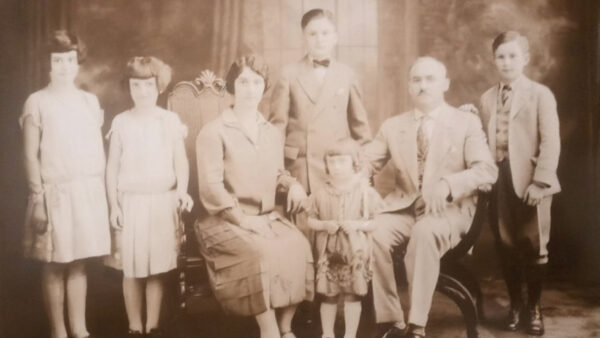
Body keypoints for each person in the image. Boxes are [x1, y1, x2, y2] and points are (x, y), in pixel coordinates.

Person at [363, 56, 498, 338]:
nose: (423, 85)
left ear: (445, 84)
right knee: (372, 231)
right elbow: (366, 163)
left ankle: (416, 325)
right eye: (416, 80)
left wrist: (449, 184)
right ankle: (391, 320)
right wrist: (362, 186)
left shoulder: (465, 123)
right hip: (403, 208)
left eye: (430, 79)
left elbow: (487, 171)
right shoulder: (393, 126)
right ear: (409, 87)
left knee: (424, 233)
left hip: (447, 212)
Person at [195, 54, 314, 338]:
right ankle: (269, 330)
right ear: (232, 86)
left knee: (299, 246)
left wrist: (292, 185)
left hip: (266, 216)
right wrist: (243, 221)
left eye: (257, 82)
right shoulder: (214, 131)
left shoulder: (270, 132)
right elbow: (211, 188)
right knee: (260, 253)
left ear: (264, 87)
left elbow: (275, 173)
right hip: (223, 219)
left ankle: (286, 329)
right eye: (243, 81)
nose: (250, 88)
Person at [20, 30, 110, 338]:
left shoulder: (89, 101)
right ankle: (59, 332)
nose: (64, 66)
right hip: (54, 194)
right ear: (48, 64)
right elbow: (31, 156)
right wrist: (39, 198)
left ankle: (80, 329)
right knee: (55, 264)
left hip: (86, 191)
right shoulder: (37, 102)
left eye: (69, 60)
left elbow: (95, 151)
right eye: (57, 60)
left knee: (79, 263)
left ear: (77, 63)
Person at [478, 31, 560, 336]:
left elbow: (551, 142)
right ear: (493, 60)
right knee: (506, 246)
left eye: (513, 56)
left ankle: (534, 308)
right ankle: (515, 305)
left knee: (534, 246)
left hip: (530, 182)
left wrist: (540, 183)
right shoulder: (487, 98)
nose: (507, 62)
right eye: (501, 56)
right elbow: (483, 139)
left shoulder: (540, 94)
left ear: (525, 59)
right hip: (499, 181)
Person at [104, 56, 192, 337]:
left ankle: (152, 326)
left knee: (155, 268)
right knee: (132, 268)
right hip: (131, 203)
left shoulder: (169, 120)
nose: (142, 91)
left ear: (159, 86)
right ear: (128, 87)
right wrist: (113, 205)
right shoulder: (121, 122)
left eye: (148, 85)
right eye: (136, 85)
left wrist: (182, 190)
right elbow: (112, 167)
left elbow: (181, 162)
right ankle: (134, 326)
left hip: (161, 203)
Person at [269, 8, 372, 199]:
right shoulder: (288, 74)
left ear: (335, 38)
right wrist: (282, 177)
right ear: (304, 39)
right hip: (299, 171)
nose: (319, 39)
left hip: (337, 168)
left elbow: (362, 132)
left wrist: (363, 172)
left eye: (325, 33)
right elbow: (276, 132)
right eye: (312, 34)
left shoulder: (347, 75)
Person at [305, 137, 384, 338]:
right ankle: (328, 334)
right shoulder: (320, 193)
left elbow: (375, 223)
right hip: (329, 253)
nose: (336, 167)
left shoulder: (365, 193)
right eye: (331, 162)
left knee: (352, 296)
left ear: (354, 162)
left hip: (354, 253)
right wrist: (324, 225)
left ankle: (350, 334)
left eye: (342, 161)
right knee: (328, 296)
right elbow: (310, 221)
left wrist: (357, 225)